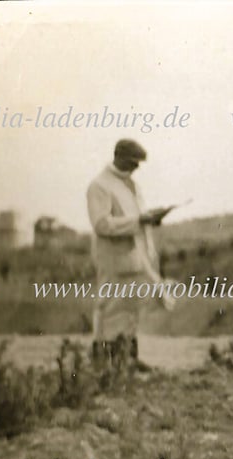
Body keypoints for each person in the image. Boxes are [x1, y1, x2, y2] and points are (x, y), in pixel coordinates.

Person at [86, 138, 173, 371]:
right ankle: (103, 364)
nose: (136, 168)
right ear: (120, 158)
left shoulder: (132, 186)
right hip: (113, 259)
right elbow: (102, 224)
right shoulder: (100, 186)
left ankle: (128, 360)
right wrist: (139, 220)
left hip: (135, 256)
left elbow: (136, 219)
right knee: (111, 309)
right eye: (133, 163)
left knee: (130, 309)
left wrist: (151, 219)